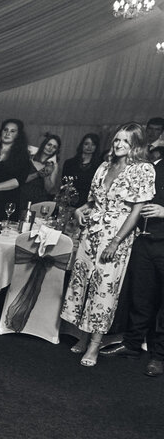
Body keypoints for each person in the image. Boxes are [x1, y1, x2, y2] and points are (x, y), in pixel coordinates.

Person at [61, 122, 156, 367]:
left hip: (117, 235)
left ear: (136, 145)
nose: (119, 144)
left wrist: (115, 242)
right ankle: (82, 335)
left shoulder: (143, 169)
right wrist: (80, 211)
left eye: (126, 141)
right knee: (82, 283)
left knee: (104, 289)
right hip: (90, 232)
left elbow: (137, 212)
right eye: (116, 140)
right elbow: (92, 201)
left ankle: (95, 343)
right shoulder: (104, 165)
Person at [100, 146, 164, 377]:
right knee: (141, 296)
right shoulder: (152, 167)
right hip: (145, 241)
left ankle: (159, 357)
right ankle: (132, 344)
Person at [20, 133, 61, 205]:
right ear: (44, 144)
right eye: (49, 145)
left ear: (56, 150)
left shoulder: (54, 165)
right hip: (21, 196)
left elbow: (48, 189)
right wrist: (37, 174)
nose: (50, 148)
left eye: (54, 147)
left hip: (39, 200)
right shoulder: (30, 158)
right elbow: (20, 180)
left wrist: (46, 174)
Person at [60, 133, 101, 205]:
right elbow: (64, 182)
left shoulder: (99, 166)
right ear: (82, 145)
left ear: (96, 147)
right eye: (86, 144)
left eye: (93, 144)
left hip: (87, 203)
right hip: (68, 200)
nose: (89, 147)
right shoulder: (69, 163)